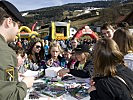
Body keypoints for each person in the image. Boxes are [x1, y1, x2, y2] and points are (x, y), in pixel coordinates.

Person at [0, 1, 34, 100]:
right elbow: (9, 96)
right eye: (18, 26)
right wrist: (25, 84)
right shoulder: (5, 52)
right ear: (9, 22)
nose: (18, 31)